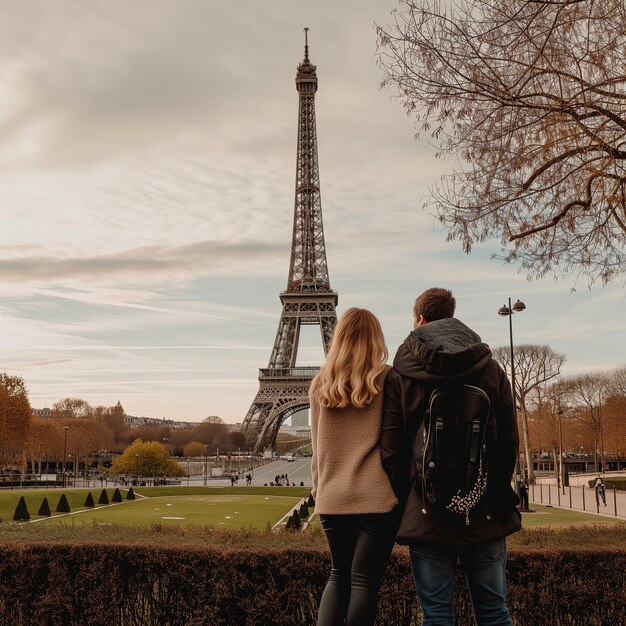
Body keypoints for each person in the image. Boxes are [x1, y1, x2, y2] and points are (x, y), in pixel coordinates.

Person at [381, 288, 521, 626]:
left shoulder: (401, 374)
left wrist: (413, 498)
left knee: (436, 616)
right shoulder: (491, 370)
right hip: (485, 514)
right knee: (494, 613)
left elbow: (391, 451)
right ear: (452, 317)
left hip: (428, 517)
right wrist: (495, 491)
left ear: (419, 319)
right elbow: (508, 442)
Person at [311, 307, 400, 626]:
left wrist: (319, 488)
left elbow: (316, 448)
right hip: (375, 497)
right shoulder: (387, 378)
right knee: (363, 582)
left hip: (332, 498)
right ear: (376, 339)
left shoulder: (320, 383)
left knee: (338, 576)